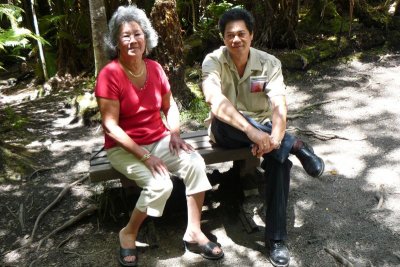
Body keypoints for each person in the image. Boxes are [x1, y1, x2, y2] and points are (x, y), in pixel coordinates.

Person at [95, 5, 224, 266]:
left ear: (147, 38)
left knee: (196, 163)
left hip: (160, 139)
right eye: (125, 36)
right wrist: (145, 156)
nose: (133, 40)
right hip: (124, 148)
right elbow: (111, 126)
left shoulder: (154, 68)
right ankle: (128, 232)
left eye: (137, 34)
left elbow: (170, 106)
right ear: (116, 42)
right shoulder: (109, 74)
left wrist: (174, 133)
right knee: (160, 184)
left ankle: (194, 232)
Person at [201, 8, 324, 267]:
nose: (236, 39)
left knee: (278, 160)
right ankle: (297, 145)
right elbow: (214, 99)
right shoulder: (213, 61)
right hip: (227, 129)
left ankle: (276, 240)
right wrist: (253, 133)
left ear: (252, 35)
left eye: (241, 34)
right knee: (225, 118)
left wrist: (276, 137)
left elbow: (279, 103)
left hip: (264, 131)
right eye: (230, 35)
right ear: (223, 38)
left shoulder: (269, 63)